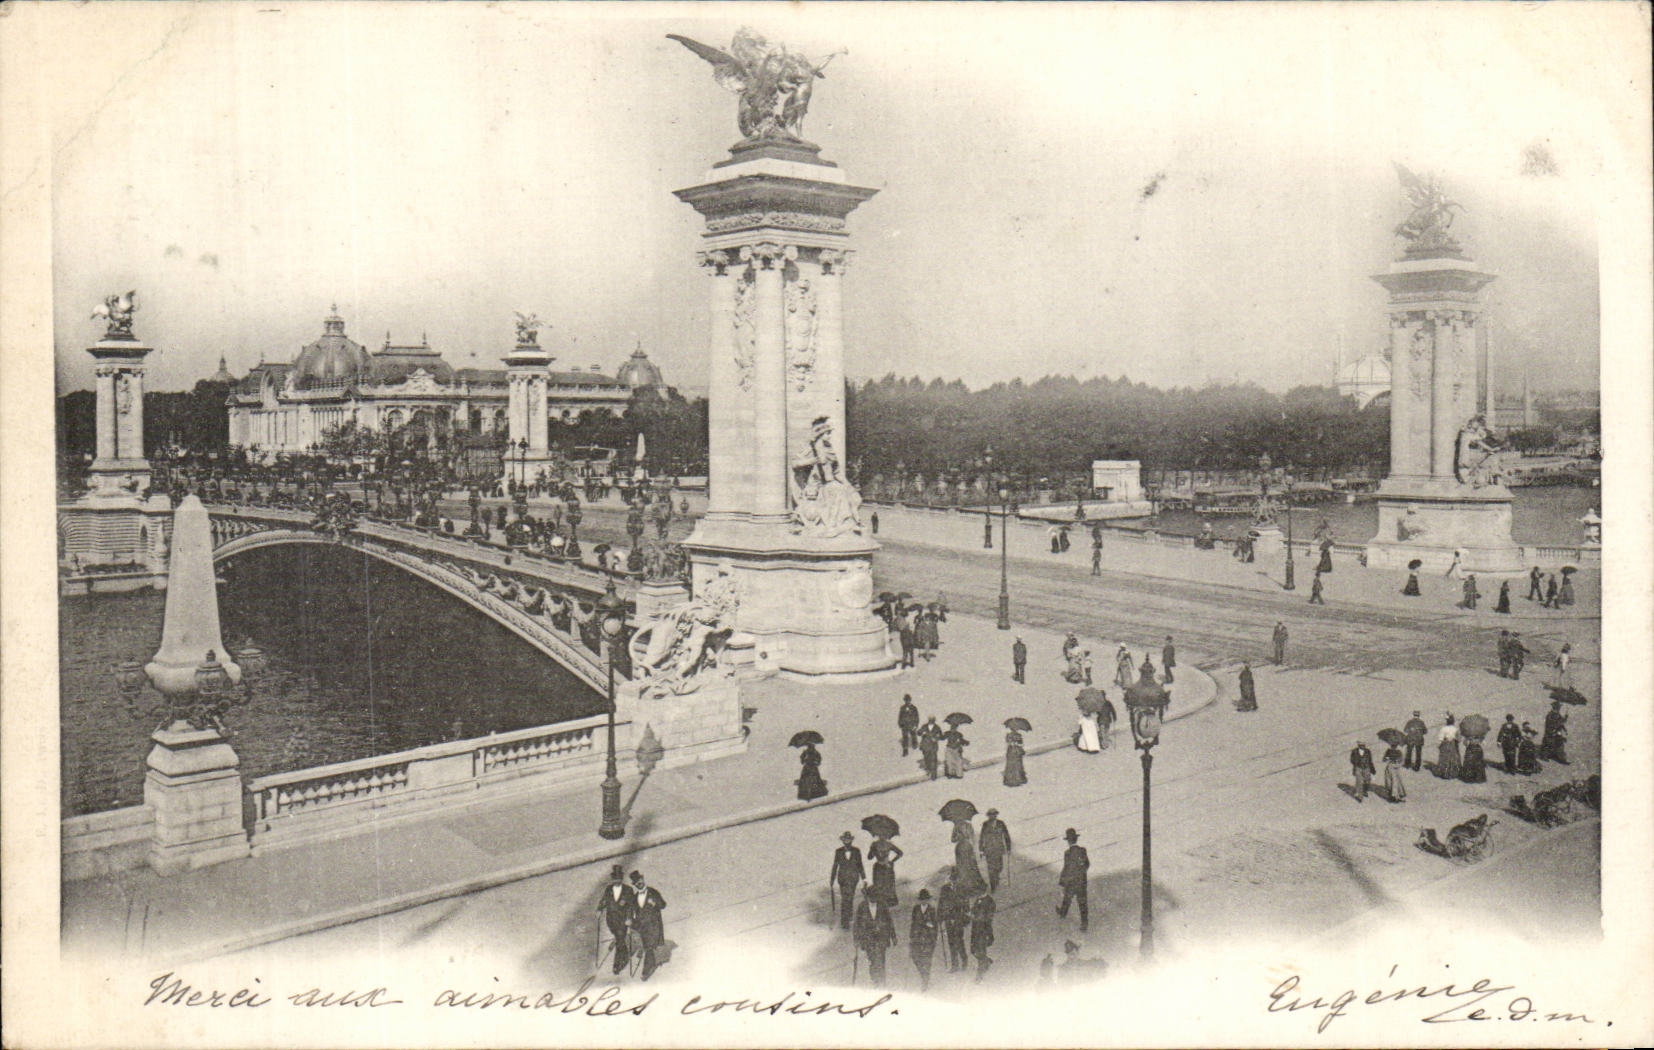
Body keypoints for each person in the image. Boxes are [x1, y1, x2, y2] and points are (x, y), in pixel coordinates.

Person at [852, 885, 897, 986]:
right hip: (868, 940)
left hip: (882, 938)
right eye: (872, 896)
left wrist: (893, 936)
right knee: (872, 960)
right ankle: (875, 980)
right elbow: (856, 924)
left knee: (881, 959)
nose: (874, 899)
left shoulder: (883, 905)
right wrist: (856, 939)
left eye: (876, 896)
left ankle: (882, 981)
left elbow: (889, 921)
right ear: (868, 896)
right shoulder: (862, 907)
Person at [629, 871, 668, 981]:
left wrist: (655, 903)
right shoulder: (635, 897)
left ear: (643, 879)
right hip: (642, 926)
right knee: (647, 947)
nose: (639, 883)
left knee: (649, 948)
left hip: (653, 925)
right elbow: (632, 911)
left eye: (640, 881)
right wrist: (630, 920)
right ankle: (651, 964)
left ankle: (647, 970)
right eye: (636, 883)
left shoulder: (653, 892)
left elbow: (663, 905)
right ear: (635, 885)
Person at [596, 864, 634, 975]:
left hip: (623, 921)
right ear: (612, 879)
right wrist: (599, 910)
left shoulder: (628, 890)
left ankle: (617, 964)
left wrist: (629, 918)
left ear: (621, 879)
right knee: (619, 938)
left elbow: (631, 906)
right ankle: (625, 952)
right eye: (615, 879)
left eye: (619, 879)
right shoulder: (608, 889)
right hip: (611, 920)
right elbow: (604, 901)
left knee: (620, 939)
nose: (617, 881)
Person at [830, 832, 865, 930]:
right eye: (845, 840)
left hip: (853, 879)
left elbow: (860, 865)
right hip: (843, 879)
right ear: (842, 841)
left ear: (851, 840)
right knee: (845, 899)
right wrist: (832, 879)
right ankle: (844, 923)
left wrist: (864, 878)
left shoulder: (857, 851)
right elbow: (835, 865)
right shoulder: (838, 851)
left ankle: (849, 915)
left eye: (849, 840)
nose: (847, 842)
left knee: (850, 898)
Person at [1056, 828, 1090, 931]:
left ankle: (1063, 913)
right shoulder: (1082, 850)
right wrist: (1082, 873)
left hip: (1071, 882)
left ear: (1068, 841)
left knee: (1067, 898)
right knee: (1082, 903)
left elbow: (1066, 868)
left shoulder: (1067, 853)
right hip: (1081, 881)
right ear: (1076, 839)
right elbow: (1087, 864)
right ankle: (1084, 924)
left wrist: (1062, 881)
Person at [938, 871, 970, 973]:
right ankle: (954, 965)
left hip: (958, 918)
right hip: (948, 919)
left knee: (959, 941)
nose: (953, 881)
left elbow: (966, 904)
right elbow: (941, 903)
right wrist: (939, 917)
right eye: (952, 879)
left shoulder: (962, 889)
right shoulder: (944, 889)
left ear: (958, 879)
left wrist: (965, 918)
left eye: (955, 879)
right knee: (951, 942)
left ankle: (964, 961)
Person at [909, 889, 939, 991]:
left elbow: (935, 925)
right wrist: (911, 936)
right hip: (916, 937)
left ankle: (925, 980)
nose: (924, 901)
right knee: (915, 957)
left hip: (928, 939)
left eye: (925, 899)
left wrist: (934, 938)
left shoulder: (932, 910)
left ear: (928, 900)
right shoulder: (916, 909)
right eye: (922, 900)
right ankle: (923, 974)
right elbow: (913, 923)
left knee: (927, 960)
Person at [980, 808, 1012, 892]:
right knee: (991, 868)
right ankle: (993, 886)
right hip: (989, 850)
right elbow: (982, 837)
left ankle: (996, 877)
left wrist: (1008, 848)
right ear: (988, 816)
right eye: (990, 814)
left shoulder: (1001, 824)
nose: (992, 816)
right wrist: (981, 850)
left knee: (999, 867)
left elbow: (1006, 836)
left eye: (994, 814)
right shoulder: (985, 824)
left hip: (998, 849)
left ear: (996, 815)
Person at [952, 819, 987, 896]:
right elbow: (952, 840)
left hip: (968, 847)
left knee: (972, 866)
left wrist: (967, 837)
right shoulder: (956, 826)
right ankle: (965, 888)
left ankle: (974, 887)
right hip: (960, 848)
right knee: (962, 868)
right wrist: (958, 836)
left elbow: (973, 837)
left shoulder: (969, 826)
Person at [869, 836, 903, 908]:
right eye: (880, 833)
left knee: (888, 887)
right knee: (878, 887)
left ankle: (887, 908)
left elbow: (900, 853)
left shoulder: (889, 844)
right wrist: (872, 849)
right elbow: (869, 857)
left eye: (884, 834)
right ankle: (881, 906)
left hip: (887, 868)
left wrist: (891, 861)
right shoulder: (875, 844)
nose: (882, 835)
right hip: (878, 868)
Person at [969, 892, 997, 982]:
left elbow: (988, 918)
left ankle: (979, 975)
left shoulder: (990, 901)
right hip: (976, 930)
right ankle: (986, 961)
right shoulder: (979, 900)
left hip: (984, 930)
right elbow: (974, 910)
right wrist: (971, 913)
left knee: (980, 950)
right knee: (974, 951)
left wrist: (976, 917)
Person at [1434, 715, 1461, 779]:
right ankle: (1453, 772)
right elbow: (1459, 738)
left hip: (1445, 744)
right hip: (1453, 744)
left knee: (1444, 758)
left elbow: (1441, 738)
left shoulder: (1444, 729)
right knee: (1453, 757)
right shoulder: (1455, 729)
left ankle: (1444, 772)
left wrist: (1439, 745)